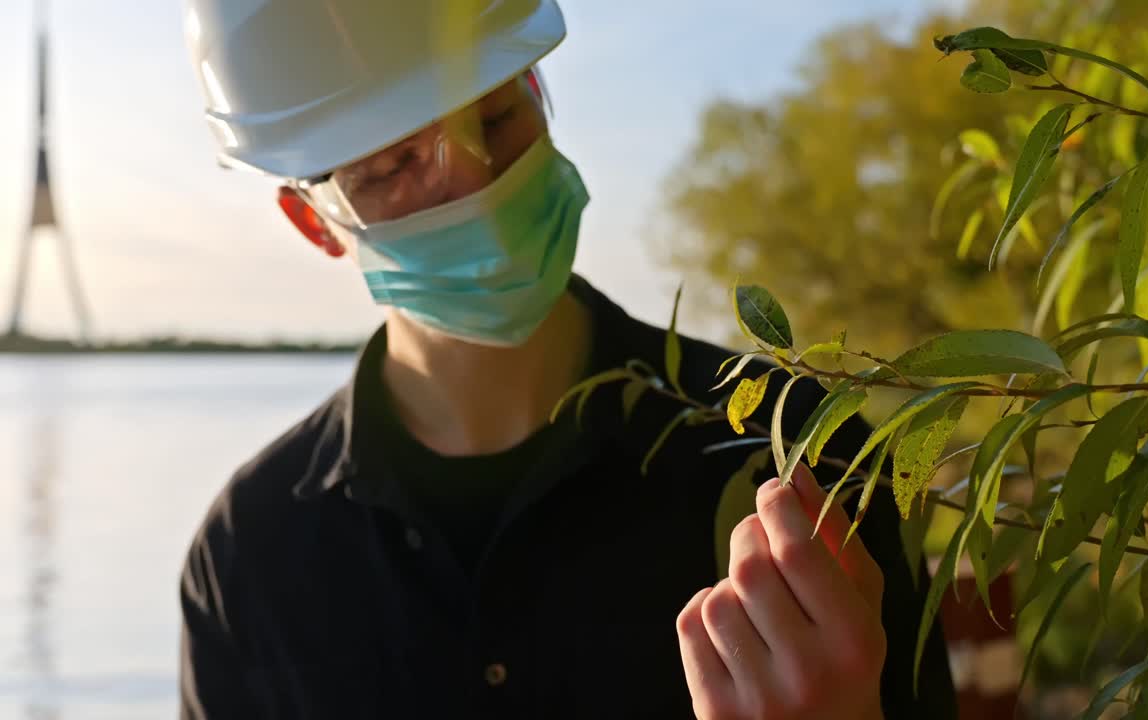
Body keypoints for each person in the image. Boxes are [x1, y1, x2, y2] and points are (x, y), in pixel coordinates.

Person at [177, 1, 957, 718]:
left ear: (540, 90)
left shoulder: (798, 453)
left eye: (497, 113)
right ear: (313, 223)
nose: (477, 181)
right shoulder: (250, 560)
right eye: (394, 167)